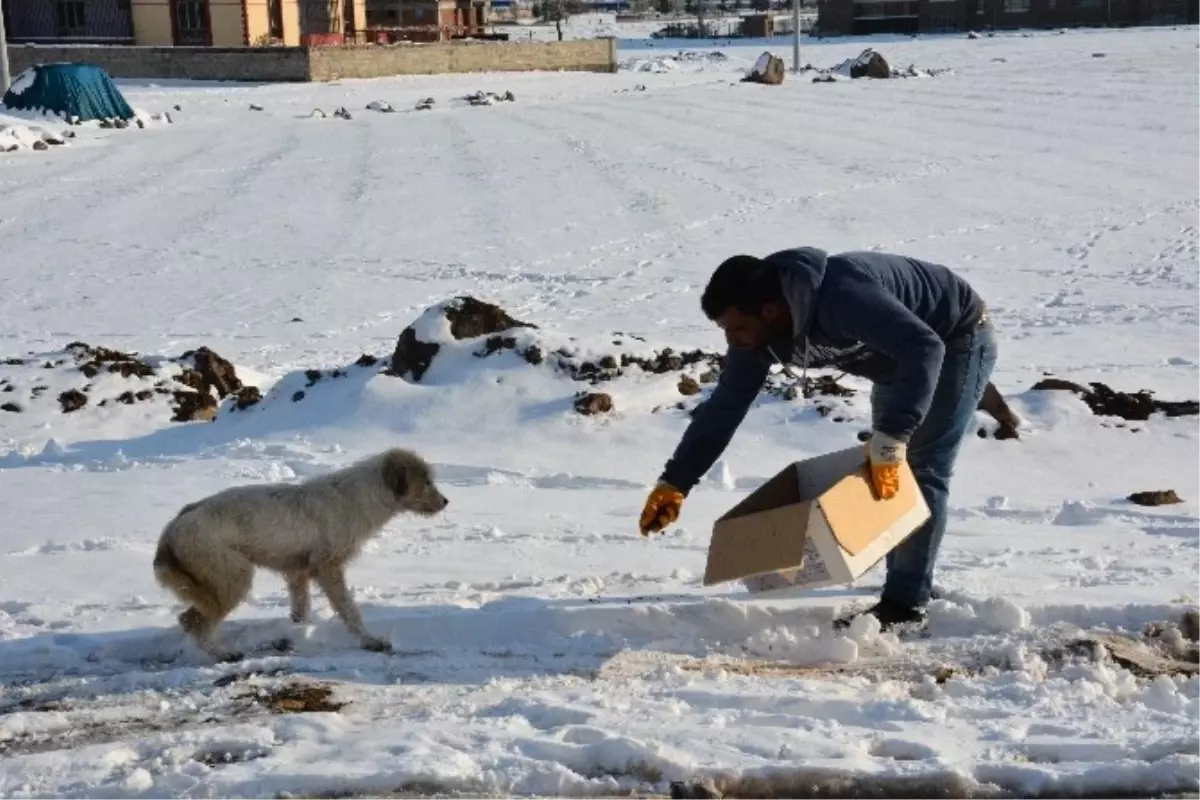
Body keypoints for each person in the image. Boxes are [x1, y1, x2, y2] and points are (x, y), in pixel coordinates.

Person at [637, 247, 997, 630]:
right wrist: (676, 481)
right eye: (725, 330)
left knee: (919, 466)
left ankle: (906, 605)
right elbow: (724, 408)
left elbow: (925, 348)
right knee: (888, 468)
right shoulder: (756, 338)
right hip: (899, 358)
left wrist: (893, 437)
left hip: (954, 335)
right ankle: (907, 582)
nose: (732, 339)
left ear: (770, 311)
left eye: (736, 328)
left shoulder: (842, 296)